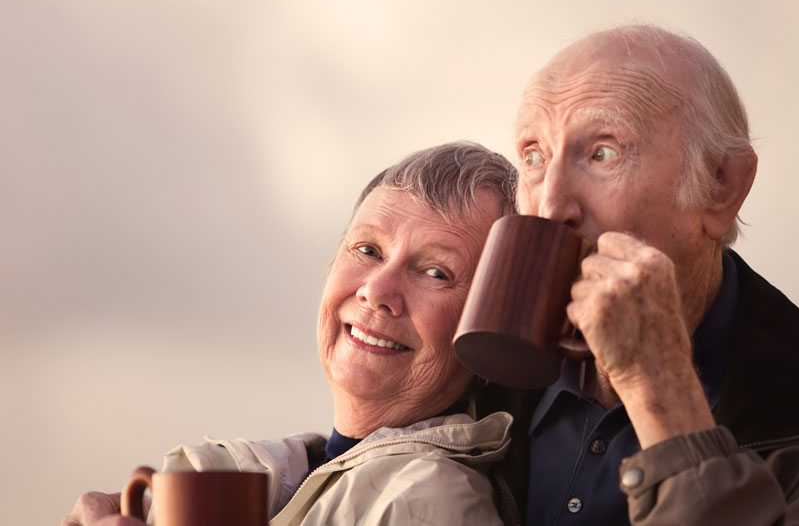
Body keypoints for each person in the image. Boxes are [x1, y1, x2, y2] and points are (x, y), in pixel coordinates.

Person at [61, 141, 519, 526]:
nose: (377, 291)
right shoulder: (274, 475)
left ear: (487, 335)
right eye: (367, 249)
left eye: (436, 272)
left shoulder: (428, 503)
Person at [479, 24, 799, 526]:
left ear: (721, 184)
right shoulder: (474, 375)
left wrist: (659, 387)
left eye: (603, 152)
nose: (550, 206)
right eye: (534, 157)